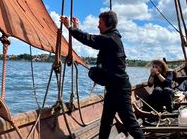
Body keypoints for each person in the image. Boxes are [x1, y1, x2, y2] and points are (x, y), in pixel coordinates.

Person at [60, 11, 144, 139]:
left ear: (108, 24)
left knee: (130, 124)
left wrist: (70, 28)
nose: (98, 26)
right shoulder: (111, 38)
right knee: (105, 123)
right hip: (113, 89)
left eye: (100, 23)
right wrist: (76, 28)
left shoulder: (111, 39)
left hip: (120, 90)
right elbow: (93, 39)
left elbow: (90, 40)